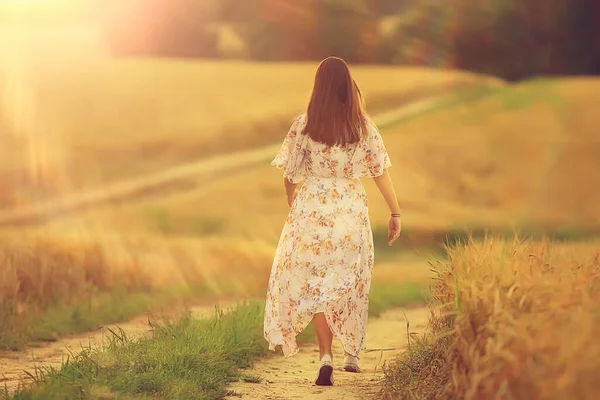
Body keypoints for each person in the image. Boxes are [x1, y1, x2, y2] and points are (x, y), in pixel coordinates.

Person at [263, 56, 402, 387]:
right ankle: (351, 351)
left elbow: (290, 173)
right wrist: (395, 212)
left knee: (317, 285)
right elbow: (380, 172)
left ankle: (326, 355)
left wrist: (291, 198)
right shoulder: (362, 126)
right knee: (351, 280)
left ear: (319, 86)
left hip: (311, 209)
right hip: (349, 209)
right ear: (347, 85)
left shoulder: (304, 124)